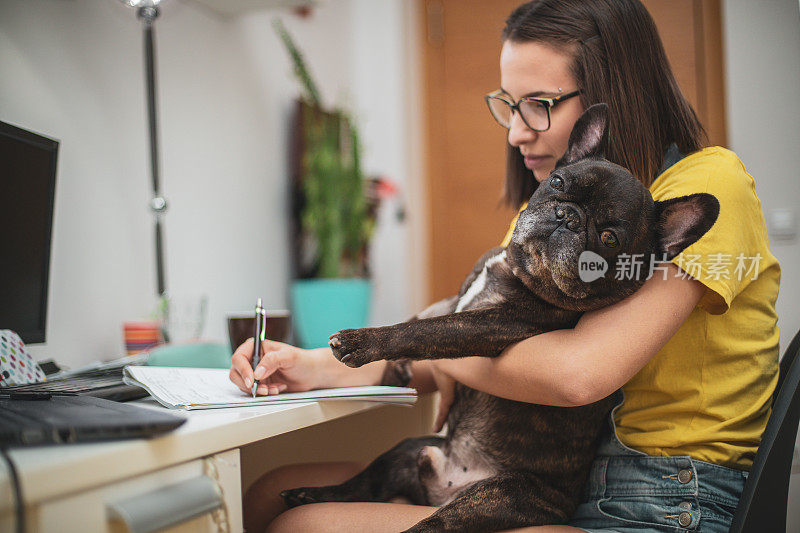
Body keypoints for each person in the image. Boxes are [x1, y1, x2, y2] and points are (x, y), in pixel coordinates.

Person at [229, 1, 780, 531]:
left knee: (303, 524)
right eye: (509, 105)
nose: (516, 132)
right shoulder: (550, 208)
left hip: (661, 496)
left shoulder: (702, 188)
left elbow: (571, 373)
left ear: (611, 98)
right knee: (265, 491)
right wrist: (312, 365)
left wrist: (442, 344)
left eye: (539, 104)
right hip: (553, 473)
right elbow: (474, 333)